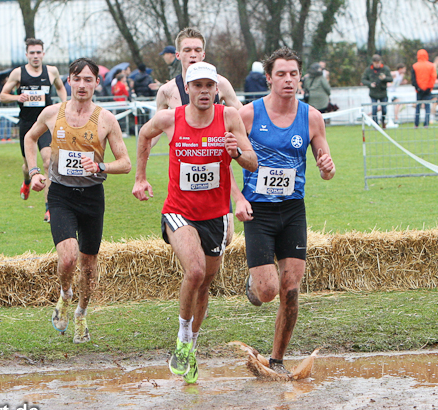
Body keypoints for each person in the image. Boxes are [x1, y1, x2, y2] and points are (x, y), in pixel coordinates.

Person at [132, 62, 257, 384]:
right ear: (186, 89)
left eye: (209, 86)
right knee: (196, 271)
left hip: (215, 215)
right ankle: (183, 337)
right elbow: (144, 134)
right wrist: (140, 177)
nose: (204, 91)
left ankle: (191, 347)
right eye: (197, 85)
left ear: (216, 89)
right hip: (179, 211)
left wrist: (236, 153)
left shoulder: (229, 117)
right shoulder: (169, 119)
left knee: (205, 284)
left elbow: (252, 161)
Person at [232, 47, 335, 376]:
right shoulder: (248, 115)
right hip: (258, 211)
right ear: (269, 78)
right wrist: (238, 198)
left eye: (293, 74)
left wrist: (327, 167)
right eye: (281, 74)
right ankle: (254, 284)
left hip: (292, 210)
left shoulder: (312, 117)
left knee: (290, 290)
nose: (288, 80)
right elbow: (223, 161)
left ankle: (277, 359)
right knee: (268, 291)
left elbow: (327, 168)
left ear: (300, 77)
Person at [26, 58, 131, 344]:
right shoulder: (52, 113)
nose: (82, 85)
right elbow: (30, 138)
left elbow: (125, 163)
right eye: (77, 78)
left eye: (88, 79)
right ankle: (65, 294)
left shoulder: (106, 120)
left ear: (97, 83)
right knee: (68, 258)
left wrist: (99, 166)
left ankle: (81, 313)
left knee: (88, 266)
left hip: (92, 197)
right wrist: (34, 172)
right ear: (69, 81)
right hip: (61, 194)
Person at [155, 27, 243, 245]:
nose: (192, 55)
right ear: (178, 55)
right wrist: (143, 155)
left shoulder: (220, 84)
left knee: (226, 237)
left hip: (218, 165)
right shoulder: (167, 90)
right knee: (187, 236)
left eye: (197, 50)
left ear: (204, 54)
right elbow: (154, 128)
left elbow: (242, 115)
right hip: (184, 167)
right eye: (187, 50)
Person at [0, 38, 67, 223]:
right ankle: (27, 180)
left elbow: (61, 88)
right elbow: (2, 96)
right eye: (32, 53)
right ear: (27, 55)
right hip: (27, 124)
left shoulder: (51, 71)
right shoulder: (18, 73)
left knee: (47, 162)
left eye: (38, 52)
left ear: (43, 54)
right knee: (27, 166)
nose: (35, 56)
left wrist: (64, 105)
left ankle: (49, 208)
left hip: (46, 124)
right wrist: (17, 97)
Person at [361, 54, 392, 128]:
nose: (377, 64)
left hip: (383, 93)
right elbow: (363, 80)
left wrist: (384, 78)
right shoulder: (368, 70)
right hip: (373, 93)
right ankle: (375, 124)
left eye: (379, 62)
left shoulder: (385, 69)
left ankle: (383, 121)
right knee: (374, 109)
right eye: (376, 63)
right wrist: (370, 84)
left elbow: (391, 79)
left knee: (384, 109)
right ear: (373, 62)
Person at [411, 49, 437, 128]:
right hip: (427, 90)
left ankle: (416, 124)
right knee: (427, 107)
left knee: (418, 107)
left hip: (418, 91)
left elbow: (413, 79)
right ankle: (426, 124)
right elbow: (433, 77)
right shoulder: (431, 65)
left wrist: (418, 88)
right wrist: (429, 88)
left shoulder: (415, 66)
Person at [430, 56, 438, 123]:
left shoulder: (436, 68)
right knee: (434, 101)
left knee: (435, 101)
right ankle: (431, 119)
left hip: (433, 88)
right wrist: (434, 81)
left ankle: (432, 118)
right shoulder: (432, 67)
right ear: (436, 60)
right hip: (429, 88)